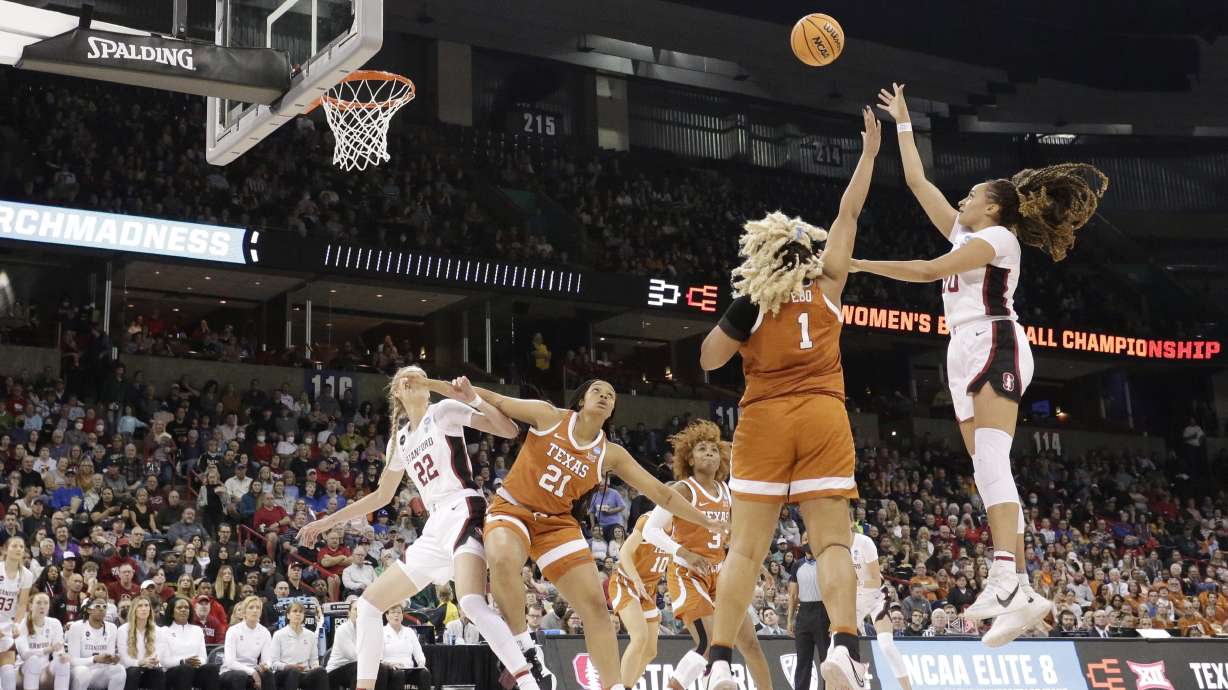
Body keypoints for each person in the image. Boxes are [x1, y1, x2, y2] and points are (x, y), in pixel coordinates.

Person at [854, 83, 1107, 647]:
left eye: (970, 194)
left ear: (992, 206)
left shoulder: (996, 237)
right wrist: (902, 123)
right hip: (959, 347)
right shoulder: (966, 227)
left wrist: (857, 261)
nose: (961, 200)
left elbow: (926, 271)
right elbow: (918, 182)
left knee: (993, 460)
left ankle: (1003, 576)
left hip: (996, 339)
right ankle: (1021, 589)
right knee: (985, 469)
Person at [699, 107, 881, 690]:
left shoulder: (754, 305)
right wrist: (869, 155)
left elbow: (708, 360)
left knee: (745, 554)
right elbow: (848, 212)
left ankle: (720, 660)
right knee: (832, 542)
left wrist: (744, 308)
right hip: (824, 416)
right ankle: (844, 649)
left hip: (764, 422)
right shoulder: (828, 289)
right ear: (808, 258)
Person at [471, 378, 725, 690]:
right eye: (597, 391)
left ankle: (616, 686)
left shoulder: (610, 453)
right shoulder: (550, 416)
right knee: (502, 561)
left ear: (612, 410)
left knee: (600, 613)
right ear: (581, 400)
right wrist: (444, 386)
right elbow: (495, 399)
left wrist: (707, 522)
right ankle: (526, 650)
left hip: (556, 523)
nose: (604, 396)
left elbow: (662, 493)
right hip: (514, 508)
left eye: (610, 395)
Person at [295, 369, 542, 690]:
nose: (412, 378)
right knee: (369, 606)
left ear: (427, 388)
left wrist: (473, 398)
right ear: (397, 392)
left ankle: (528, 681)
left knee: (470, 603)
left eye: (419, 375)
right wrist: (328, 520)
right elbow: (382, 496)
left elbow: (508, 430)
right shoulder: (399, 441)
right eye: (404, 377)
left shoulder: (443, 412)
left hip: (463, 508)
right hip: (434, 527)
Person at [642, 421, 771, 690]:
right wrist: (685, 553)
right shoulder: (682, 490)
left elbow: (736, 535)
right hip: (687, 574)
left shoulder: (727, 491)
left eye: (714, 449)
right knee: (709, 642)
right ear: (689, 457)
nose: (710, 453)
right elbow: (651, 531)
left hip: (721, 575)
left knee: (750, 644)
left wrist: (757, 565)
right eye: (702, 448)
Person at [609, 515, 667, 688]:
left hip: (649, 591)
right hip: (626, 582)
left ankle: (626, 685)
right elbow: (624, 552)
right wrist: (636, 579)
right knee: (640, 637)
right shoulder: (649, 520)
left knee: (650, 651)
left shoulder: (683, 528)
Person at [324, 600, 387, 690]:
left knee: (383, 669)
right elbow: (353, 656)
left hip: (355, 667)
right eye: (356, 609)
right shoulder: (342, 630)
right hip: (335, 671)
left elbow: (376, 652)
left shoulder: (367, 630)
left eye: (361, 610)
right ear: (349, 613)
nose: (358, 613)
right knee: (358, 668)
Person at [66, 598, 126, 690]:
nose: (102, 609)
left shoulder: (112, 628)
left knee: (119, 670)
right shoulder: (77, 627)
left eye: (104, 607)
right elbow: (73, 661)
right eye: (97, 606)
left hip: (100, 673)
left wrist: (113, 659)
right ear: (89, 610)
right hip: (79, 671)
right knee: (83, 672)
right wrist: (94, 659)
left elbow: (108, 658)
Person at [15, 592, 71, 690]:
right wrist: (47, 650)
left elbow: (58, 651)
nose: (42, 606)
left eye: (46, 603)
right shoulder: (22, 623)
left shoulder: (55, 623)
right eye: (38, 603)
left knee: (64, 663)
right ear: (31, 606)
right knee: (33, 660)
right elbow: (24, 654)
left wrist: (62, 655)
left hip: (44, 670)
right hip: (22, 671)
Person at [162, 597, 220, 690]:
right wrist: (184, 662)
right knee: (185, 669)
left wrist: (195, 663)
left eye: (186, 607)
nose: (183, 610)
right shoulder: (164, 631)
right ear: (172, 612)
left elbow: (203, 657)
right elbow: (164, 661)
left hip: (195, 669)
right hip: (173, 671)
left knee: (211, 668)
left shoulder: (197, 630)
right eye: (179, 607)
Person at [787, 545, 823, 690]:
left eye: (809, 539)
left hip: (823, 611)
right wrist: (790, 620)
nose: (807, 542)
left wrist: (833, 619)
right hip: (804, 613)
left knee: (826, 660)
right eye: (804, 539)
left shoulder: (824, 562)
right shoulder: (797, 565)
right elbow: (793, 595)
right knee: (802, 661)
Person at [268, 602, 327, 690]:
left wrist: (314, 668)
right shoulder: (279, 634)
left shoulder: (310, 635)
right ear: (288, 615)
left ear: (303, 616)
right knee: (294, 671)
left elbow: (314, 661)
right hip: (284, 673)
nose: (298, 614)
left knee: (321, 671)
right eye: (295, 611)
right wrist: (290, 666)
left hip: (304, 673)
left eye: (300, 612)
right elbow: (274, 663)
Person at [0, 536, 34, 690]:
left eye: (22, 546)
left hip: (6, 624)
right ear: (5, 550)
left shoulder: (27, 575)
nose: (19, 549)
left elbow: (22, 605)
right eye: (15, 546)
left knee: (8, 671)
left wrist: (16, 625)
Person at [219, 596, 273, 690]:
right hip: (230, 671)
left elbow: (267, 659)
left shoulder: (265, 632)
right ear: (244, 612)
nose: (255, 610)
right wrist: (252, 672)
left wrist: (266, 666)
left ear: (261, 612)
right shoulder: (233, 630)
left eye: (258, 608)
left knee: (268, 674)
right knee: (241, 675)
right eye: (251, 607)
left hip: (253, 670)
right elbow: (230, 662)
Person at [118, 596, 167, 690]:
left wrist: (152, 661)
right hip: (129, 670)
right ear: (134, 610)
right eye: (140, 606)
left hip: (149, 669)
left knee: (158, 672)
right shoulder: (123, 630)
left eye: (146, 605)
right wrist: (141, 662)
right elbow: (125, 660)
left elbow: (158, 655)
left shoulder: (159, 631)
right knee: (134, 671)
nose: (144, 609)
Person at [381, 605, 430, 690]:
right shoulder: (382, 631)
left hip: (409, 669)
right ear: (387, 616)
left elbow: (419, 653)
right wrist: (390, 664)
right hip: (390, 669)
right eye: (393, 612)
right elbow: (378, 658)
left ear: (402, 616)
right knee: (399, 674)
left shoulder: (409, 631)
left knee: (424, 673)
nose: (396, 615)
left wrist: (421, 663)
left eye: (399, 612)